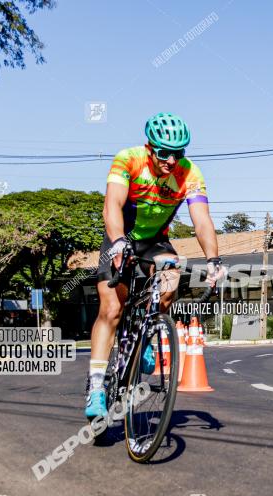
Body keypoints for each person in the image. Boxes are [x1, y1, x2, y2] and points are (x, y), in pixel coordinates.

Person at [85, 113, 226, 419]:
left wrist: (213, 259)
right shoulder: (129, 160)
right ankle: (96, 386)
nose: (171, 160)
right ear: (150, 147)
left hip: (155, 242)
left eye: (178, 153)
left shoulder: (189, 173)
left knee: (170, 280)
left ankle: (145, 333)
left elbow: (201, 220)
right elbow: (112, 205)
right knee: (111, 310)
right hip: (121, 236)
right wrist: (119, 241)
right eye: (164, 152)